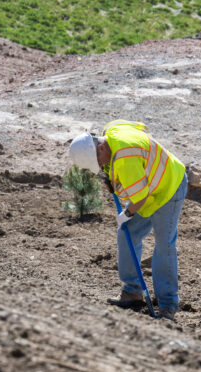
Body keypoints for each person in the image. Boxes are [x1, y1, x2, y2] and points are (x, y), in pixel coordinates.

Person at [69, 120, 187, 321]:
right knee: (127, 234)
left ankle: (168, 305)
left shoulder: (125, 158)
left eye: (100, 163)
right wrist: (110, 174)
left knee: (164, 245)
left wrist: (127, 214)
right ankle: (132, 292)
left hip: (168, 187)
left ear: (100, 147)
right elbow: (140, 127)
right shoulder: (111, 131)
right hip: (148, 187)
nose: (102, 167)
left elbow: (139, 198)